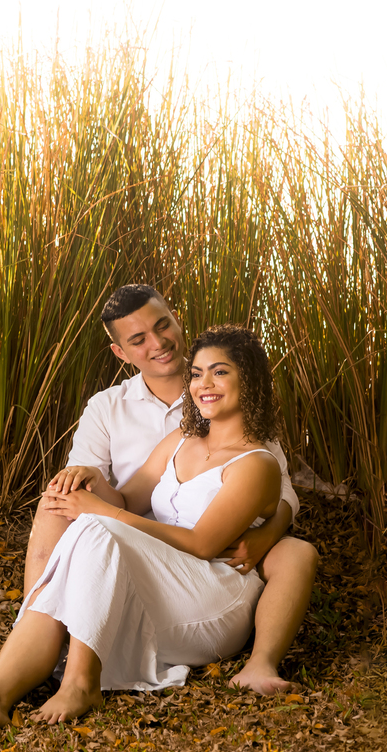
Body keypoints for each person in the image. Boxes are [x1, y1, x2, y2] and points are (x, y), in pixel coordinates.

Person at [0, 325, 299, 736]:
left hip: (216, 595)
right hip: (162, 585)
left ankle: (80, 683)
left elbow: (203, 545)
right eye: (197, 373)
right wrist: (88, 481)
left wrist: (98, 512)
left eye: (220, 372)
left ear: (249, 380)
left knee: (97, 525)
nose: (204, 384)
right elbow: (127, 501)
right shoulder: (182, 440)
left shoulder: (257, 464)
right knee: (83, 519)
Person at [26, 286, 318, 696]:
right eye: (138, 339)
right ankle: (39, 629)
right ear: (120, 353)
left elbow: (279, 485)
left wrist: (268, 534)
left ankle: (262, 663)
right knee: (56, 503)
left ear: (177, 319)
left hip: (216, 540)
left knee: (296, 551)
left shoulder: (224, 389)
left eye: (163, 325)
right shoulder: (107, 407)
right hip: (131, 532)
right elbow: (105, 486)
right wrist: (80, 482)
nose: (159, 343)